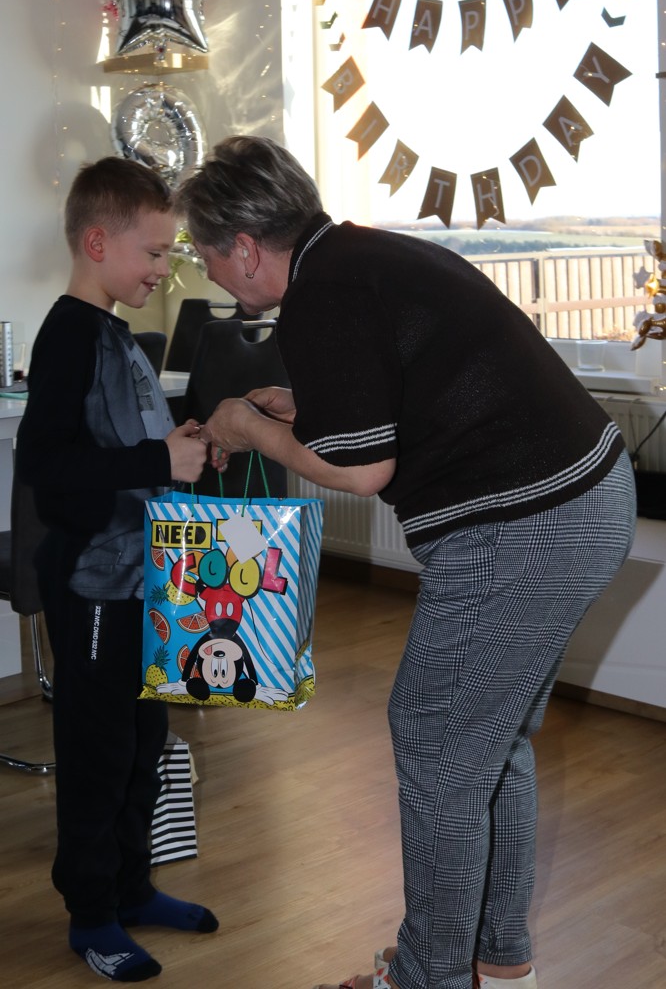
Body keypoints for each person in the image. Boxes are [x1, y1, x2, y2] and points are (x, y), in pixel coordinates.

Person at [175, 136, 636, 989]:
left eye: (204, 253)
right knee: (487, 743)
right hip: (583, 497)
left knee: (434, 741)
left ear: (243, 247)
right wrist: (303, 408)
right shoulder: (358, 257)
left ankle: (428, 977)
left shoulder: (320, 294)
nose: (207, 272)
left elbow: (360, 470)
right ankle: (498, 962)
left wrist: (248, 428)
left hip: (526, 521)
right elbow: (395, 397)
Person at [16, 157, 217, 983]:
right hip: (95, 585)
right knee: (97, 751)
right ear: (98, 243)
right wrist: (156, 458)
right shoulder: (69, 333)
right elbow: (45, 465)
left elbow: (124, 447)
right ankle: (92, 913)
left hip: (143, 581)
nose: (164, 268)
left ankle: (132, 888)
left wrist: (180, 446)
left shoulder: (115, 334)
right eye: (155, 252)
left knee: (143, 742)